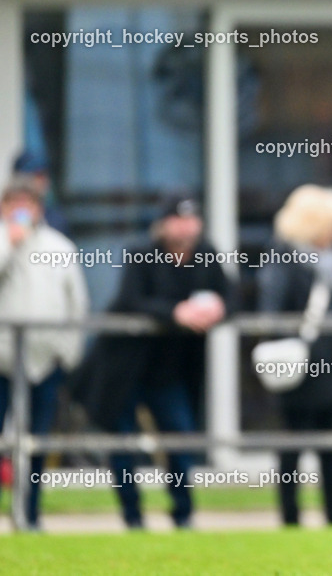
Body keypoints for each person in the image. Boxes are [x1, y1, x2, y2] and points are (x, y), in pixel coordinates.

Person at [103, 194, 233, 529]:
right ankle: (132, 516)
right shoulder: (141, 254)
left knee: (179, 438)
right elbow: (130, 300)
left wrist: (218, 307)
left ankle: (183, 514)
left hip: (170, 371)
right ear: (164, 223)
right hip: (126, 368)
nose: (186, 226)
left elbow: (231, 295)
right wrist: (176, 312)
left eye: (192, 218)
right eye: (178, 219)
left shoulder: (205, 255)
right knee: (123, 445)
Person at [257, 185, 332, 527]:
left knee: (331, 450)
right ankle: (290, 520)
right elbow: (272, 314)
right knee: (292, 450)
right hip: (298, 372)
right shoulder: (284, 258)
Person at [0, 176, 88, 529]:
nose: (22, 212)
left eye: (29, 205)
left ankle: (30, 514)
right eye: (14, 205)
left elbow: (76, 303)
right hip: (2, 361)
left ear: (39, 209)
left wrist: (66, 354)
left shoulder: (60, 247)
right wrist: (10, 244)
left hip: (45, 363)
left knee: (36, 444)